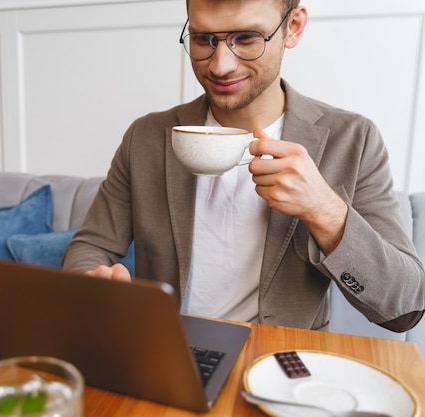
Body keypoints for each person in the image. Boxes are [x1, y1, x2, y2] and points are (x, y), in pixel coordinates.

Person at [62, 0, 425, 332]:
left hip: (283, 365)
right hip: (165, 353)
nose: (220, 65)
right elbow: (89, 246)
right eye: (204, 39)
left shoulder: (353, 140)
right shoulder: (146, 137)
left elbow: (404, 309)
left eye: (247, 38)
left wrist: (325, 211)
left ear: (293, 27)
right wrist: (93, 282)